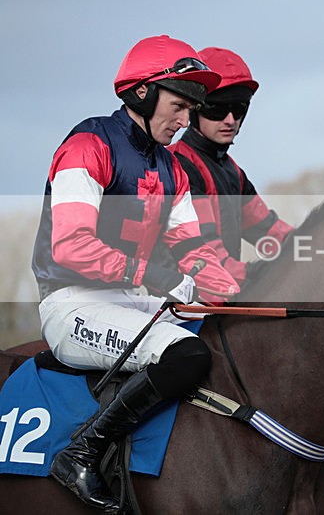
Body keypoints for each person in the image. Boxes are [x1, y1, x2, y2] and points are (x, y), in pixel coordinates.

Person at [30, 35, 240, 510]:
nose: (186, 121)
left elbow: (194, 249)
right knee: (187, 356)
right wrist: (157, 276)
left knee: (229, 336)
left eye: (192, 109)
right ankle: (80, 453)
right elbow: (71, 245)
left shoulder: (172, 168)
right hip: (72, 302)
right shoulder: (89, 143)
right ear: (142, 93)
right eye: (179, 106)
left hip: (130, 300)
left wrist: (251, 283)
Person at [166, 47, 293, 286]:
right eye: (218, 109)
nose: (230, 120)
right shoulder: (178, 166)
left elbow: (271, 234)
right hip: (182, 304)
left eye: (239, 109)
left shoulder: (234, 172)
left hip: (223, 296)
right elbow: (207, 253)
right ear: (195, 109)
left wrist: (321, 250)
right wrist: (260, 274)